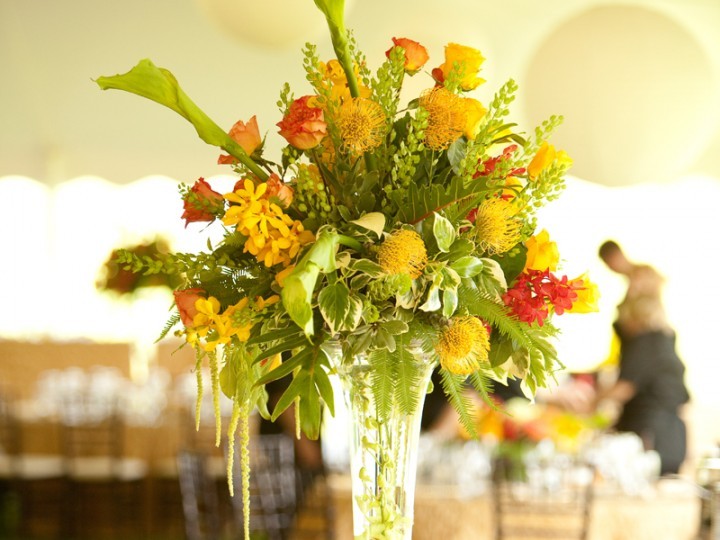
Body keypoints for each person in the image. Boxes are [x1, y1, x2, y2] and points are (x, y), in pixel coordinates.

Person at [595, 240, 690, 475]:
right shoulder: (660, 340)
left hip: (654, 433)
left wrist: (591, 403)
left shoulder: (647, 340)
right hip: (668, 433)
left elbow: (625, 386)